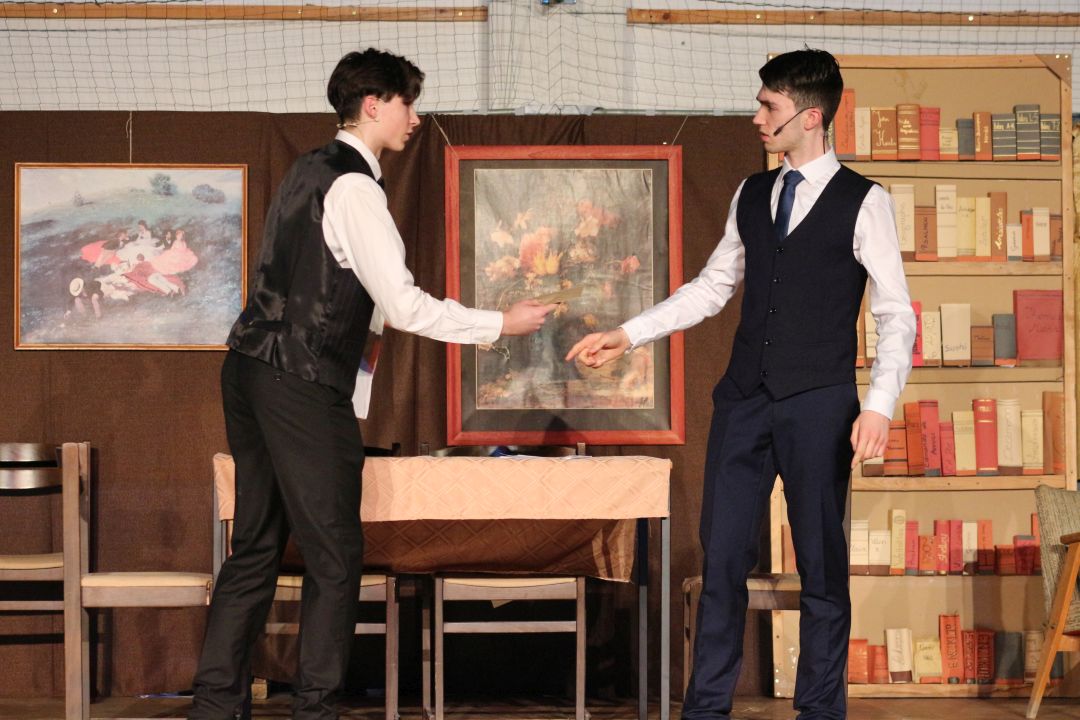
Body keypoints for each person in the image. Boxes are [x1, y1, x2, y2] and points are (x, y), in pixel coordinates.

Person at [188, 49, 555, 720]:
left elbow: (342, 299)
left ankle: (215, 707)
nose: (415, 118)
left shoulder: (308, 169)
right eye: (408, 104)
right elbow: (404, 305)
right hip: (297, 379)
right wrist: (500, 323)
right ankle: (315, 710)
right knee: (333, 553)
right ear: (374, 104)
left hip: (249, 368)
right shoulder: (355, 188)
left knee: (257, 546)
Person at [566, 49, 915, 720]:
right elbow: (713, 286)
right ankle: (706, 710)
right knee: (722, 559)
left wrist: (878, 404)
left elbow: (896, 313)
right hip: (744, 400)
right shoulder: (754, 193)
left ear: (809, 117)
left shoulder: (865, 201)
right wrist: (630, 333)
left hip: (819, 403)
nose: (756, 117)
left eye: (768, 106)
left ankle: (820, 711)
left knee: (821, 565)